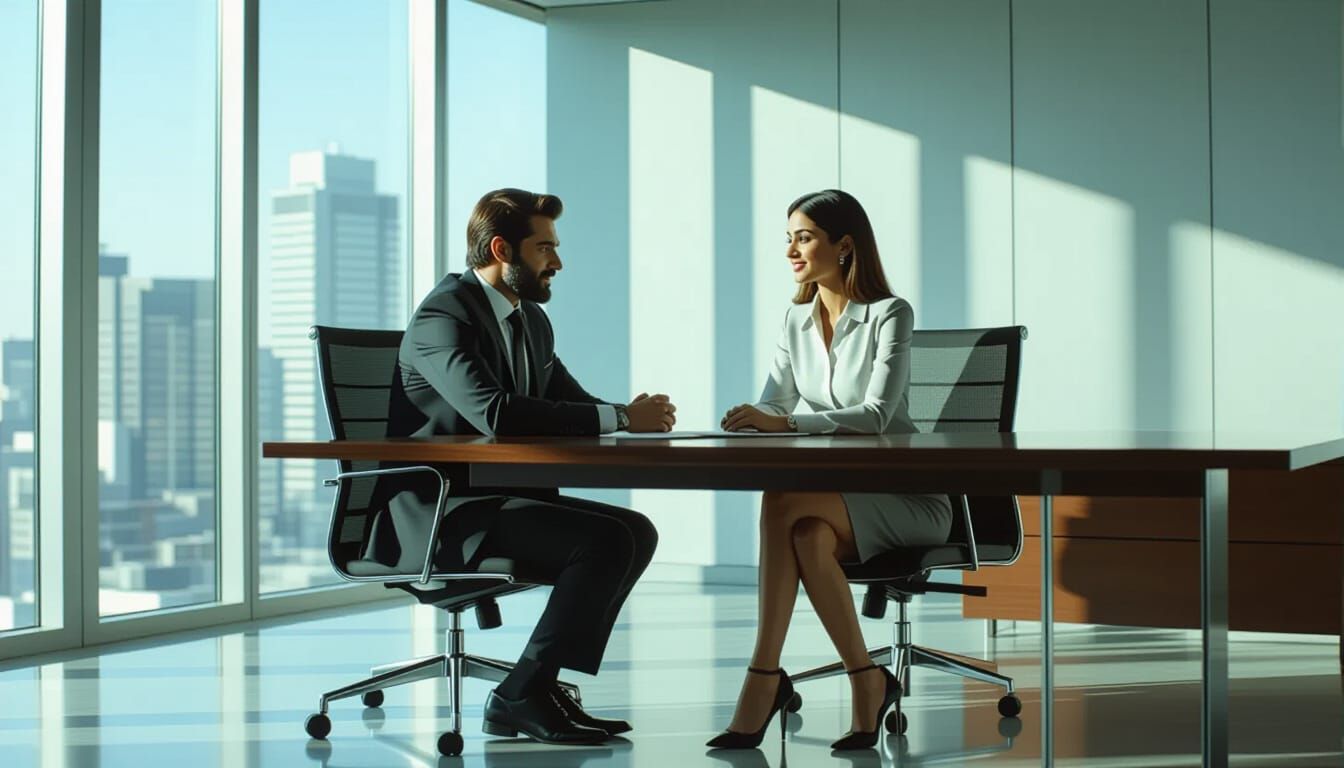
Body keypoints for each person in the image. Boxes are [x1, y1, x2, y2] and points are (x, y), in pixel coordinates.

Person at [377, 188, 676, 745]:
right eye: (545, 248)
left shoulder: (531, 321)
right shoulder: (444, 316)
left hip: (500, 499)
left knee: (636, 531)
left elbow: (570, 403)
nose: (557, 262)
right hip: (444, 514)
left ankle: (534, 686)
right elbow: (496, 412)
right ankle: (524, 693)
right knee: (606, 541)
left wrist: (628, 416)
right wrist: (618, 417)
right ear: (501, 250)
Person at [708, 190, 953, 751]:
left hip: (909, 499)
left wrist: (785, 424)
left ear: (844, 245)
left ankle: (763, 677)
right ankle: (866, 678)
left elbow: (876, 415)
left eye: (805, 237)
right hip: (839, 500)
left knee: (782, 500)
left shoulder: (890, 314)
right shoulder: (796, 319)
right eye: (789, 238)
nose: (791, 250)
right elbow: (775, 400)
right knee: (807, 536)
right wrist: (751, 418)